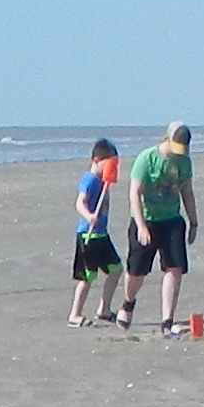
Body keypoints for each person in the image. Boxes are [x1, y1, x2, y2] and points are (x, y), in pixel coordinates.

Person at [132, 121, 194, 328]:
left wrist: (193, 221)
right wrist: (141, 225)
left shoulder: (184, 162)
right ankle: (128, 303)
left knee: (175, 268)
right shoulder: (147, 159)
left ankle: (167, 320)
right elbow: (134, 193)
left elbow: (187, 192)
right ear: (167, 139)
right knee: (137, 272)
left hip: (172, 219)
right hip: (147, 219)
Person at [67, 138, 124, 325]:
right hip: (88, 235)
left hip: (101, 235)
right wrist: (89, 216)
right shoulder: (90, 180)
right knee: (87, 277)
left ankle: (104, 309)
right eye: (109, 164)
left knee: (116, 269)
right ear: (97, 160)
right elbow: (79, 202)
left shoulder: (103, 182)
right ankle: (75, 314)